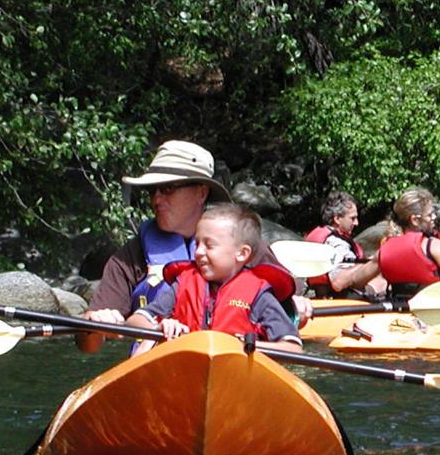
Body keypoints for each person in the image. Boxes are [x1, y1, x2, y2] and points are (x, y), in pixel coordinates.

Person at [81, 140, 308, 348]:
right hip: (164, 364)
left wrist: (296, 307)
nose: (156, 198)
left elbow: (290, 311)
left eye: (168, 188)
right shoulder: (131, 256)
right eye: (152, 190)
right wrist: (94, 324)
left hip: (236, 365)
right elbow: (87, 345)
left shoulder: (241, 244)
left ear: (201, 192)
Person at [125, 203, 303, 353]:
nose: (198, 252)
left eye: (209, 245)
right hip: (184, 368)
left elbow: (293, 348)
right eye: (197, 244)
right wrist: (159, 328)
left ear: (242, 253)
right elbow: (134, 321)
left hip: (236, 372)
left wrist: (248, 346)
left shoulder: (259, 295)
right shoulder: (183, 284)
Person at [304, 191, 383, 298]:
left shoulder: (325, 237)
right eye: (352, 218)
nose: (356, 223)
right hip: (342, 297)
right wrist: (374, 262)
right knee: (383, 278)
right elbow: (338, 282)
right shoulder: (336, 243)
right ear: (337, 219)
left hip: (322, 294)